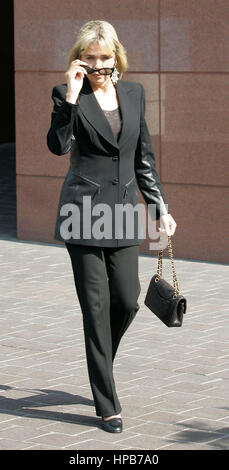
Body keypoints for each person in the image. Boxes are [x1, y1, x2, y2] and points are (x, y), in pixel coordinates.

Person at [47, 20, 177, 433]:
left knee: (127, 299)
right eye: (90, 57)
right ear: (79, 60)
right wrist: (70, 97)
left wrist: (159, 208)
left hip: (122, 212)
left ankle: (100, 359)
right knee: (96, 307)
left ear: (116, 57)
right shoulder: (67, 95)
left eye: (104, 57)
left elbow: (144, 160)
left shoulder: (134, 94)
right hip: (81, 213)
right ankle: (107, 403)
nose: (98, 64)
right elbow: (58, 146)